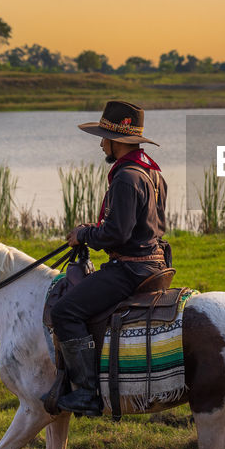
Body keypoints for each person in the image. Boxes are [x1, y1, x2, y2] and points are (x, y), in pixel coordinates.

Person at [52, 100, 170, 417]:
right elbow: (142, 226)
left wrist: (84, 235)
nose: (102, 143)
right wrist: (94, 229)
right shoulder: (151, 173)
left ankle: (88, 392)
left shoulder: (126, 177)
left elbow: (117, 234)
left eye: (105, 137)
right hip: (155, 263)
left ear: (117, 141)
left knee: (65, 311)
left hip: (130, 270)